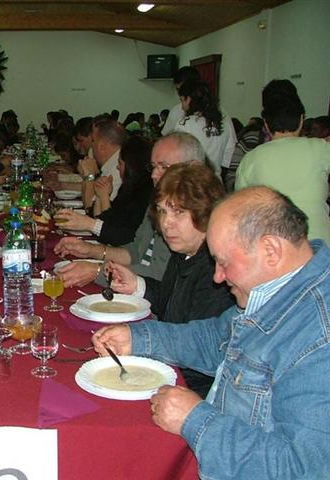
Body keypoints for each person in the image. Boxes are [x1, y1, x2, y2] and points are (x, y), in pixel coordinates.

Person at [92, 186, 330, 479]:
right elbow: (216, 339)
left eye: (224, 262)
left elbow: (302, 469)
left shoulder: (319, 338)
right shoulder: (279, 289)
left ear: (270, 250)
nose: (217, 277)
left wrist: (196, 420)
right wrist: (138, 338)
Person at [105, 163, 233, 397]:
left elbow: (199, 349)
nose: (166, 223)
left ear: (205, 213)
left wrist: (140, 346)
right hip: (171, 369)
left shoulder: (216, 270)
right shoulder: (184, 253)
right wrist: (137, 285)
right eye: (162, 211)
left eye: (178, 212)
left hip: (192, 388)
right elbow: (171, 305)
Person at [54, 131, 205, 288]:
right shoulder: (157, 202)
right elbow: (135, 251)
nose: (154, 175)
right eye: (153, 167)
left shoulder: (196, 217)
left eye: (164, 167)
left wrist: (98, 271)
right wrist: (90, 250)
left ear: (194, 168)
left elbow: (160, 275)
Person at [236, 79, 330, 243]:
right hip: (320, 247)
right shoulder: (321, 148)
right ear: (301, 119)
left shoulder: (250, 159)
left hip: (272, 248)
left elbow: (241, 209)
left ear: (266, 124)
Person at [55, 135, 153, 247]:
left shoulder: (143, 195)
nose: (117, 167)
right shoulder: (129, 188)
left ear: (131, 166)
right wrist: (100, 196)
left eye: (120, 163)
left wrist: (100, 192)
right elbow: (100, 222)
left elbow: (115, 234)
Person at [173, 79, 235, 177]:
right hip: (216, 180)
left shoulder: (185, 124)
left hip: (192, 180)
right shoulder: (224, 124)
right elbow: (228, 158)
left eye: (182, 100)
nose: (182, 107)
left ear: (188, 99)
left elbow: (177, 158)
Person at [76, 117, 126, 213]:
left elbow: (90, 208)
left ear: (102, 146)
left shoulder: (117, 169)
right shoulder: (111, 163)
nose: (91, 146)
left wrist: (89, 176)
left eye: (93, 141)